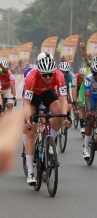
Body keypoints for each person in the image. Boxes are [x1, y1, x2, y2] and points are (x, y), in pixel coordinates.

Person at [22, 52, 70, 185]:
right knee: (31, 131)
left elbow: (63, 98)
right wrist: (28, 120)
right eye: (45, 75)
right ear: (39, 72)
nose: (48, 77)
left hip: (48, 93)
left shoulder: (59, 75)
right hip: (33, 97)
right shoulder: (31, 76)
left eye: (50, 74)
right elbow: (26, 103)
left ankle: (50, 141)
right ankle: (30, 172)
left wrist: (65, 116)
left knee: (59, 114)